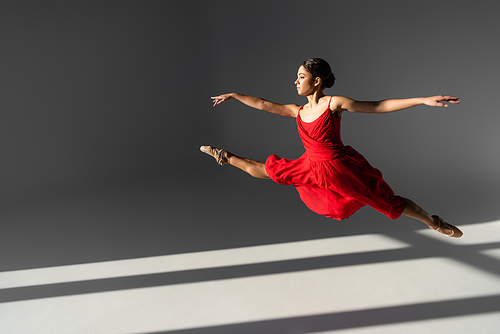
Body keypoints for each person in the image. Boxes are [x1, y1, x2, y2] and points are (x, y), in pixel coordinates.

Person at [201, 58, 462, 238]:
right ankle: (224, 156)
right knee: (272, 170)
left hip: (341, 168)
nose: (295, 81)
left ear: (316, 81)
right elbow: (261, 104)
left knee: (390, 203)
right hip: (312, 165)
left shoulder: (334, 104)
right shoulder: (298, 111)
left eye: (301, 77)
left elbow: (379, 106)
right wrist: (234, 95)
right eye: (296, 77)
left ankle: (434, 223)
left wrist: (423, 100)